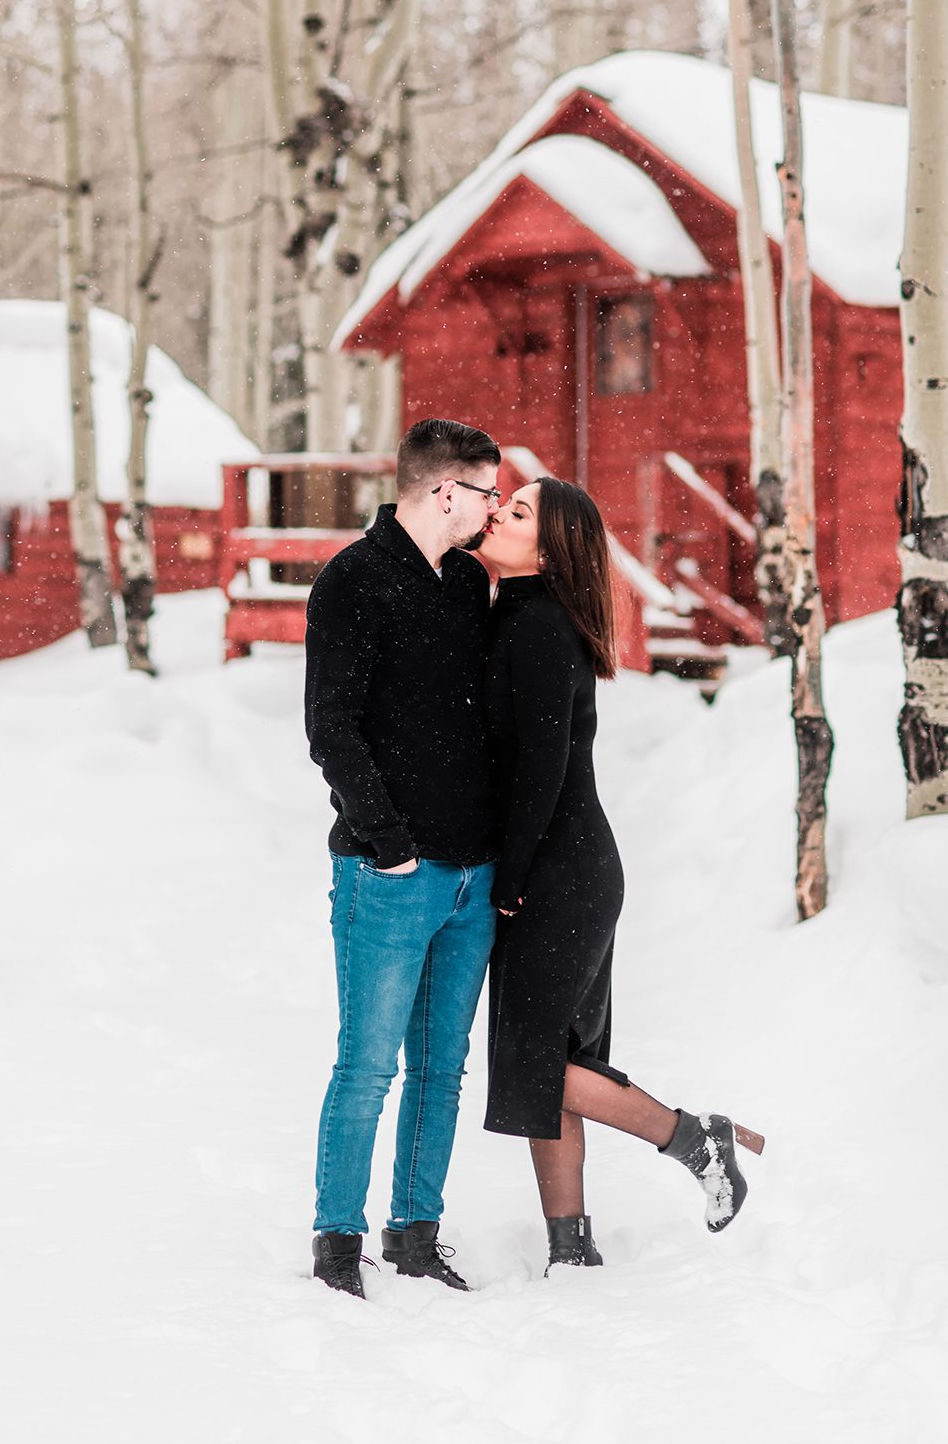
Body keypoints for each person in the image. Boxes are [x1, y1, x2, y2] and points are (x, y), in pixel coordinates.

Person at [478, 476, 764, 1273]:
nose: (498, 509)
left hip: (557, 871)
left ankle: (692, 1137)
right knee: (544, 1059)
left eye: (519, 510)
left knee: (535, 1061)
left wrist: (511, 878)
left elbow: (539, 770)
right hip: (562, 863)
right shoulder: (515, 610)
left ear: (549, 548)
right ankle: (570, 1247)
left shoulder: (537, 626)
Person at [304, 418, 503, 1298]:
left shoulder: (467, 582)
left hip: (472, 872)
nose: (495, 509)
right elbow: (331, 727)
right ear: (445, 491)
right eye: (488, 493)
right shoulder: (351, 581)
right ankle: (338, 1247)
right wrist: (388, 845)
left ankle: (415, 1234)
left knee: (442, 1065)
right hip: (389, 874)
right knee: (368, 1064)